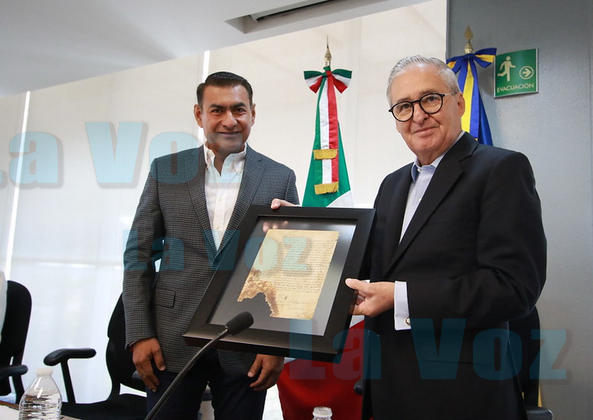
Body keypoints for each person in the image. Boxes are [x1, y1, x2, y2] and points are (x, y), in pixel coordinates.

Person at [344, 56, 546, 419]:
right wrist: (299, 226)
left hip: (464, 395)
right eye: (404, 107)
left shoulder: (501, 169)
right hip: (390, 386)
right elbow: (371, 261)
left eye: (430, 99)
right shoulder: (392, 184)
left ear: (459, 103)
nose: (418, 115)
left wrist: (400, 297)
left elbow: (515, 288)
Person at [123, 71, 299, 420]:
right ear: (199, 114)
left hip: (248, 342)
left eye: (239, 109)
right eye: (217, 110)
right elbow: (138, 255)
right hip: (170, 340)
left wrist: (276, 343)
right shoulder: (165, 170)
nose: (229, 121)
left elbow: (287, 270)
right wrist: (139, 334)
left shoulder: (280, 177)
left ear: (253, 113)